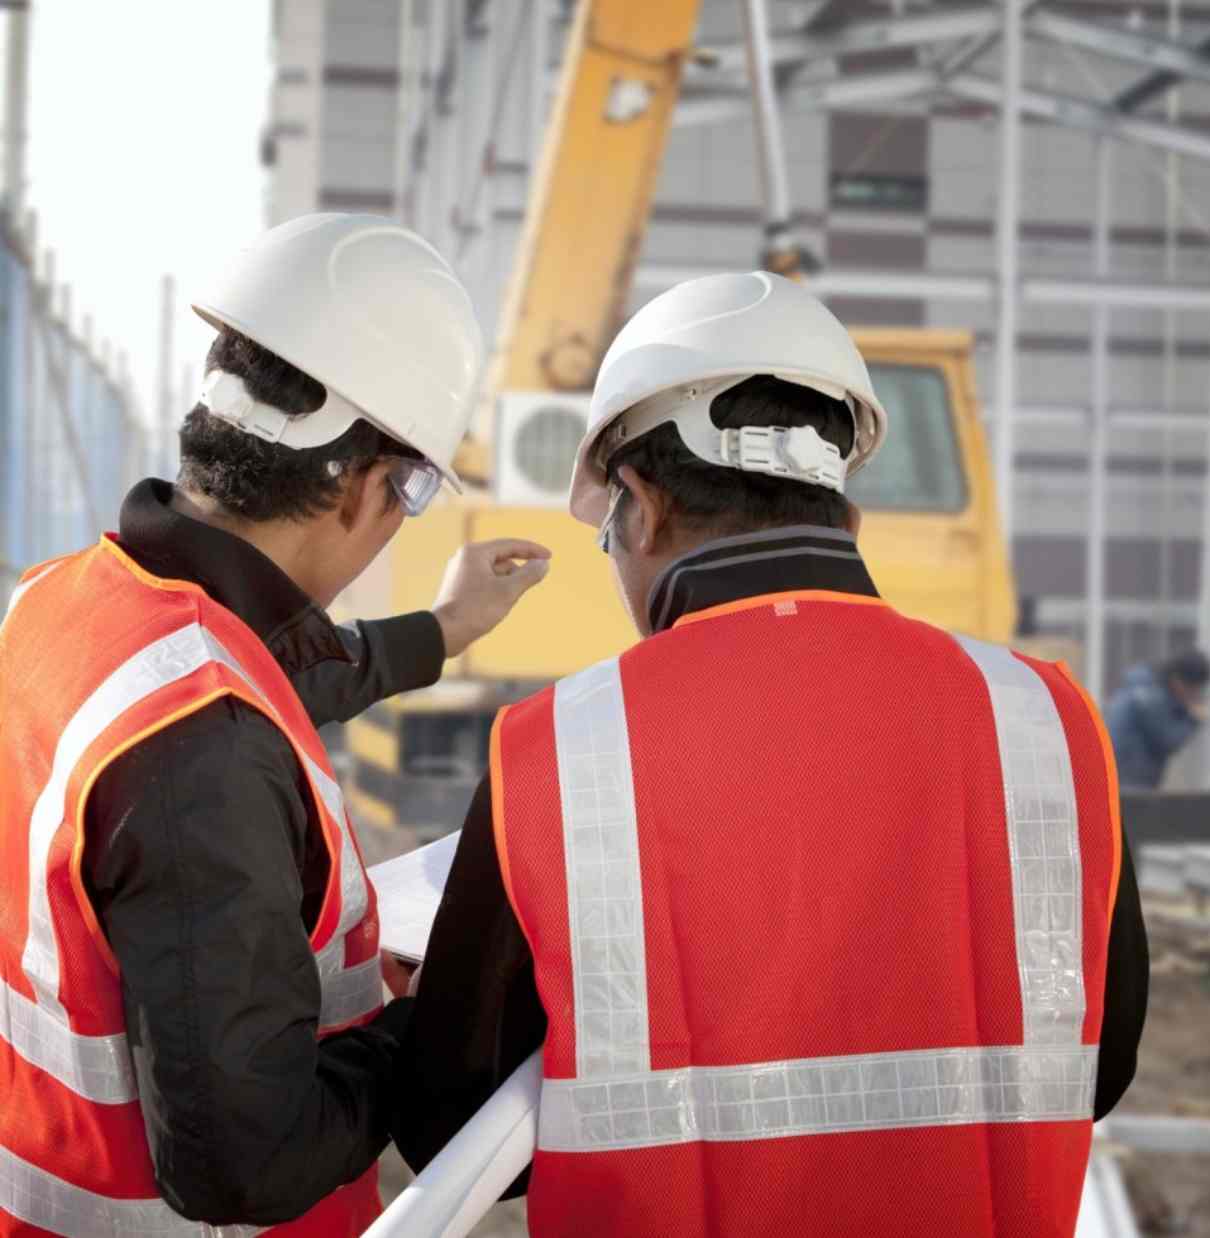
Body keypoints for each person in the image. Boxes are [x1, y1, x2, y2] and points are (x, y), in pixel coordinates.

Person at [396, 272, 1147, 1236]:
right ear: (849, 512)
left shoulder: (556, 750)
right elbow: (1098, 1065)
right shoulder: (1050, 722)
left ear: (641, 504)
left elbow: (448, 1128)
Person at [0, 214, 548, 1235]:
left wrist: (444, 628)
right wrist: (415, 1031)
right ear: (366, 485)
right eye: (412, 492)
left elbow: (258, 671)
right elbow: (245, 1162)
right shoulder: (200, 742)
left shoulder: (61, 602)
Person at [1103, 647, 1210, 790]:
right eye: (1193, 689)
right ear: (1178, 681)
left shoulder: (1146, 688)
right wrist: (1193, 718)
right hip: (1127, 782)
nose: (1194, 695)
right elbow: (1167, 740)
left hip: (1123, 777)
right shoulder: (1151, 697)